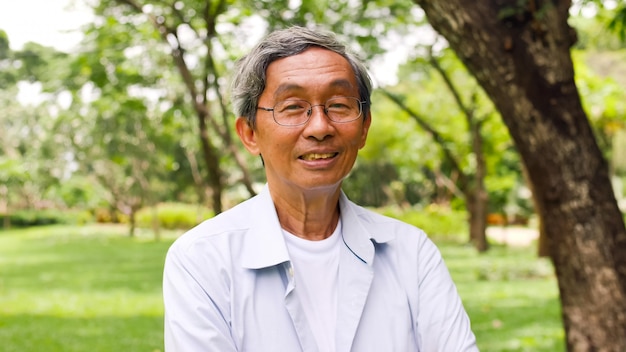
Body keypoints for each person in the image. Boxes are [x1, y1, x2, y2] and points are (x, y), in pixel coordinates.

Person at [163, 26, 478, 352]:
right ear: (249, 133)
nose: (319, 127)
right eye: (293, 107)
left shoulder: (411, 252)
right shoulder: (201, 259)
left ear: (364, 127)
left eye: (339, 104)